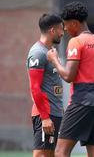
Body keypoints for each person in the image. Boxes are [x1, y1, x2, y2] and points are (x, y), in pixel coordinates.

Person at [47, 1, 94, 157]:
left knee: (61, 151)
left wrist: (54, 60)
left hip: (82, 100)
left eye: (66, 25)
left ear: (74, 23)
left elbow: (68, 76)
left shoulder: (76, 41)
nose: (65, 29)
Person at [26, 13, 64, 157]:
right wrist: (45, 118)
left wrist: (60, 108)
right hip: (46, 115)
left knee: (50, 154)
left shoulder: (50, 52)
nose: (63, 32)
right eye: (61, 29)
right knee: (41, 155)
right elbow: (34, 88)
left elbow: (53, 83)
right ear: (52, 30)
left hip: (55, 112)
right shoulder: (38, 53)